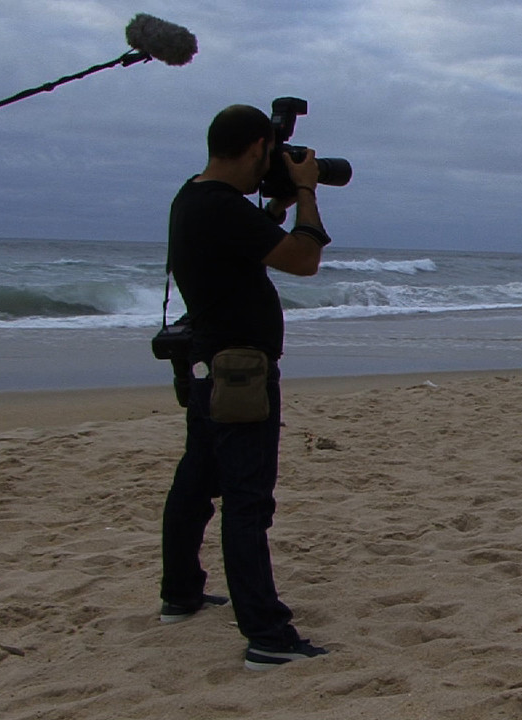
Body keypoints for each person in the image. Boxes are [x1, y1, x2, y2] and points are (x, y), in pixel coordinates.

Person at [160, 104, 333, 671]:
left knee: (197, 482)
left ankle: (180, 595)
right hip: (241, 373)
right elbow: (304, 259)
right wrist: (306, 192)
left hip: (211, 365)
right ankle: (266, 636)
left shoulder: (195, 197)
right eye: (271, 155)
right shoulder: (221, 208)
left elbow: (242, 250)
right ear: (260, 147)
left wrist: (277, 205)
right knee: (247, 500)